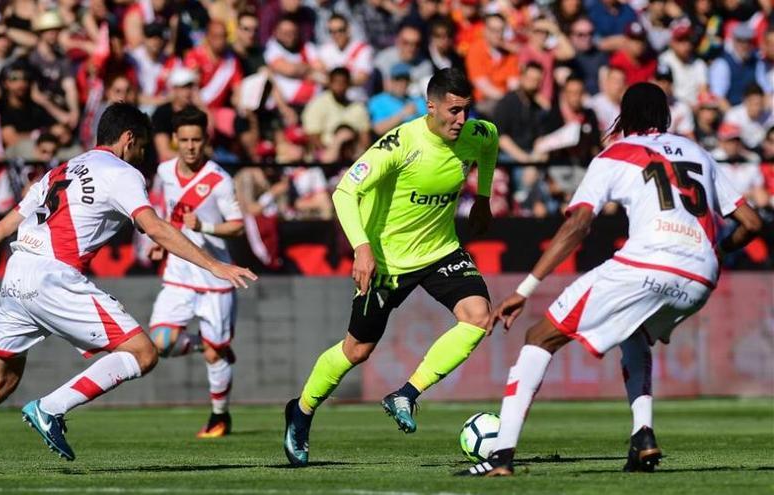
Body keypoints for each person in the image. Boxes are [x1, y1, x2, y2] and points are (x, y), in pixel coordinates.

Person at [0, 103, 256, 477]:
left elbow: (2, 228)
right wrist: (216, 265)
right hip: (55, 278)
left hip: (17, 275)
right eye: (142, 147)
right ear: (128, 139)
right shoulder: (123, 173)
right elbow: (157, 227)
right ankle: (51, 407)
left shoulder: (61, 169)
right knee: (143, 353)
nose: (143, 156)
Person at [462, 83, 763, 477]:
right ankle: (642, 436)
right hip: (701, 276)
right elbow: (752, 223)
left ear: (625, 117)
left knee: (539, 338)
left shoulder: (615, 154)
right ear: (666, 116)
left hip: (649, 263)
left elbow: (578, 225)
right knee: (633, 334)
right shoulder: (698, 152)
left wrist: (524, 289)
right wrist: (718, 252)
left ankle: (500, 457)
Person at [282, 68, 499, 467]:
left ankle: (406, 394)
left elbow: (489, 147)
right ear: (429, 106)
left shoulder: (479, 133)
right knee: (357, 349)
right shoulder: (400, 143)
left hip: (441, 250)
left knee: (478, 317)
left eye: (466, 111)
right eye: (452, 111)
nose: (461, 120)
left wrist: (483, 196)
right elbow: (345, 191)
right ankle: (302, 410)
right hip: (386, 261)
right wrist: (362, 248)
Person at [147, 107, 246, 438]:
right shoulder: (164, 171)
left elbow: (237, 226)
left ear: (206, 140)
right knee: (160, 342)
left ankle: (220, 416)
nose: (190, 146)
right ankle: (208, 344)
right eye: (184, 140)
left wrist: (204, 225)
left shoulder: (220, 180)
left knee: (216, 356)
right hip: (179, 273)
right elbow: (166, 213)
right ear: (174, 140)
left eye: (196, 140)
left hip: (215, 278)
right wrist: (162, 242)